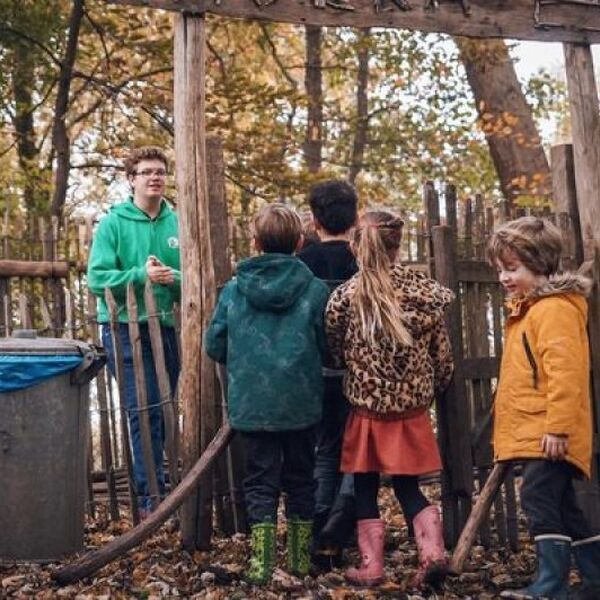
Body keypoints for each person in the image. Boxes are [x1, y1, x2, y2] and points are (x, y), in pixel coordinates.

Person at [325, 209, 453, 588]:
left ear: (356, 246)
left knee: (364, 486)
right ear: (398, 246)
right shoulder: (424, 295)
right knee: (407, 486)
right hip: (410, 410)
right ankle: (432, 555)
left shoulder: (346, 297)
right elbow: (441, 355)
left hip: (367, 410)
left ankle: (372, 566)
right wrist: (437, 384)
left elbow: (334, 349)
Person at [204, 203, 330, 585]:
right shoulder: (315, 289)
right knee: (301, 477)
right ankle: (298, 560)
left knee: (259, 480)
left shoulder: (234, 291)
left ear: (255, 242)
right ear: (299, 242)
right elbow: (329, 345)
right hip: (301, 403)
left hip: (252, 404)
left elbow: (214, 344)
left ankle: (261, 563)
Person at [487, 217, 599, 600]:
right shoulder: (531, 310)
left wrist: (558, 428)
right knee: (564, 506)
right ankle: (594, 580)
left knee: (537, 496)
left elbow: (566, 374)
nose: (504, 277)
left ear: (541, 263)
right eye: (501, 269)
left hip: (548, 432)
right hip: (541, 430)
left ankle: (550, 585)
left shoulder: (553, 310)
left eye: (512, 268)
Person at [88, 146, 181, 519]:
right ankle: (150, 500)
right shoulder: (113, 223)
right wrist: (141, 275)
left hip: (167, 326)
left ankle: (159, 488)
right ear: (131, 179)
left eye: (160, 171)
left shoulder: (178, 222)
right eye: (146, 172)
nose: (155, 177)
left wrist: (173, 279)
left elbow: (194, 276)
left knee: (162, 407)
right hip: (125, 329)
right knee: (142, 412)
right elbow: (97, 279)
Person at [298, 180, 358, 567]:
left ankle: (321, 528)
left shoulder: (302, 266)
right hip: (359, 374)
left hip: (317, 373)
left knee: (324, 451)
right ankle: (342, 524)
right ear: (355, 216)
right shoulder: (361, 261)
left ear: (314, 219)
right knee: (357, 451)